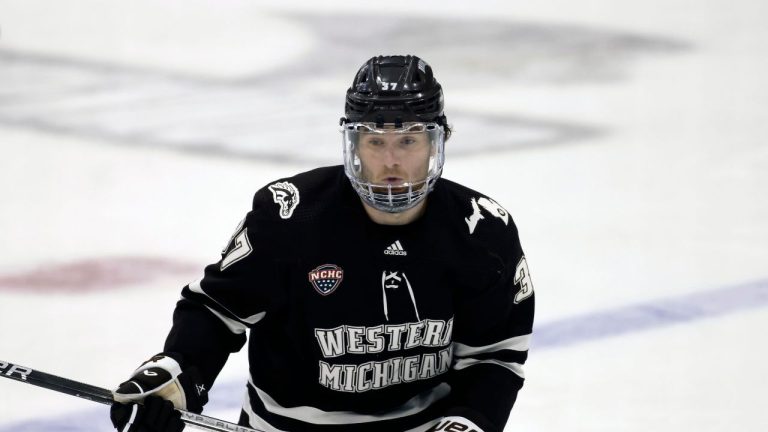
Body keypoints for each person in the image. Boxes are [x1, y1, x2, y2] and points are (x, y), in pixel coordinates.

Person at [110, 55, 535, 432]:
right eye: (375, 141)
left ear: (436, 143)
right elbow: (218, 312)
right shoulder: (290, 217)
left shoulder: (481, 230)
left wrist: (465, 424)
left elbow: (494, 357)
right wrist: (180, 375)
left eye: (408, 140)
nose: (391, 161)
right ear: (352, 144)